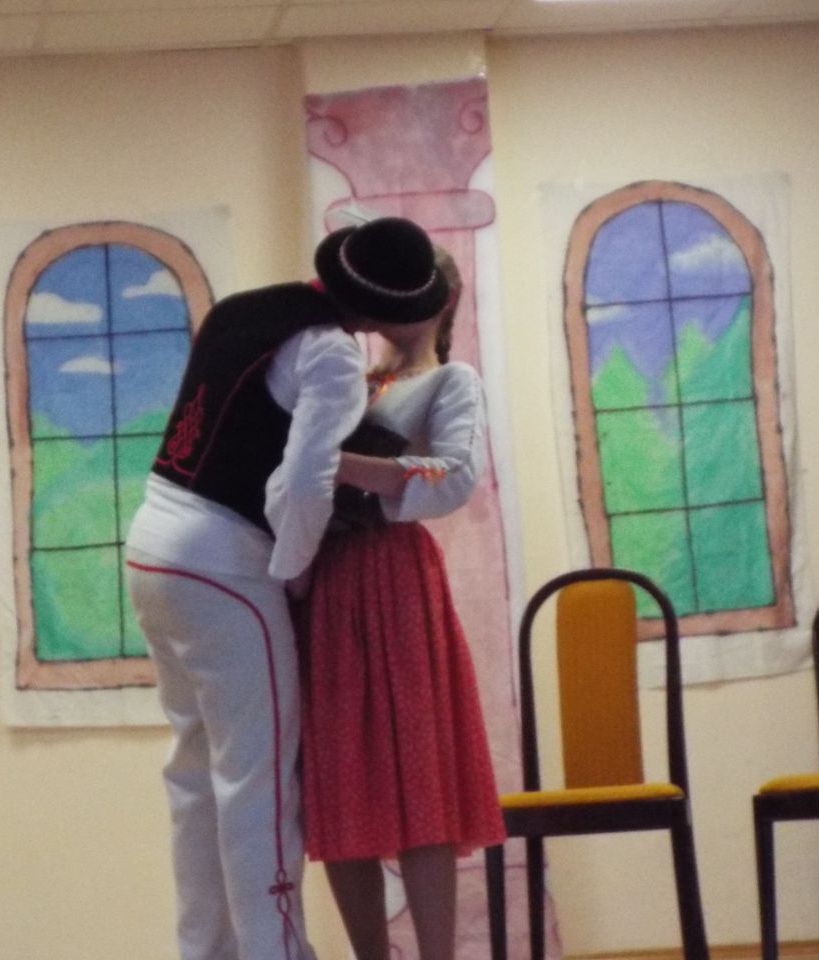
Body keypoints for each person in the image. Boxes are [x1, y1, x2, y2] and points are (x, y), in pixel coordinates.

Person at [124, 217, 450, 960]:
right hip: (224, 561)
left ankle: (207, 951)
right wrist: (295, 570)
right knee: (259, 781)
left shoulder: (242, 308)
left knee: (194, 775)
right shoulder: (331, 354)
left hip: (153, 546)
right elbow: (305, 481)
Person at [297, 242, 506, 960]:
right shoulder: (355, 376)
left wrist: (336, 463)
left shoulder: (452, 380)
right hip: (329, 582)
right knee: (341, 777)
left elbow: (455, 477)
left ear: (437, 303)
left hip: (396, 581)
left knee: (422, 777)